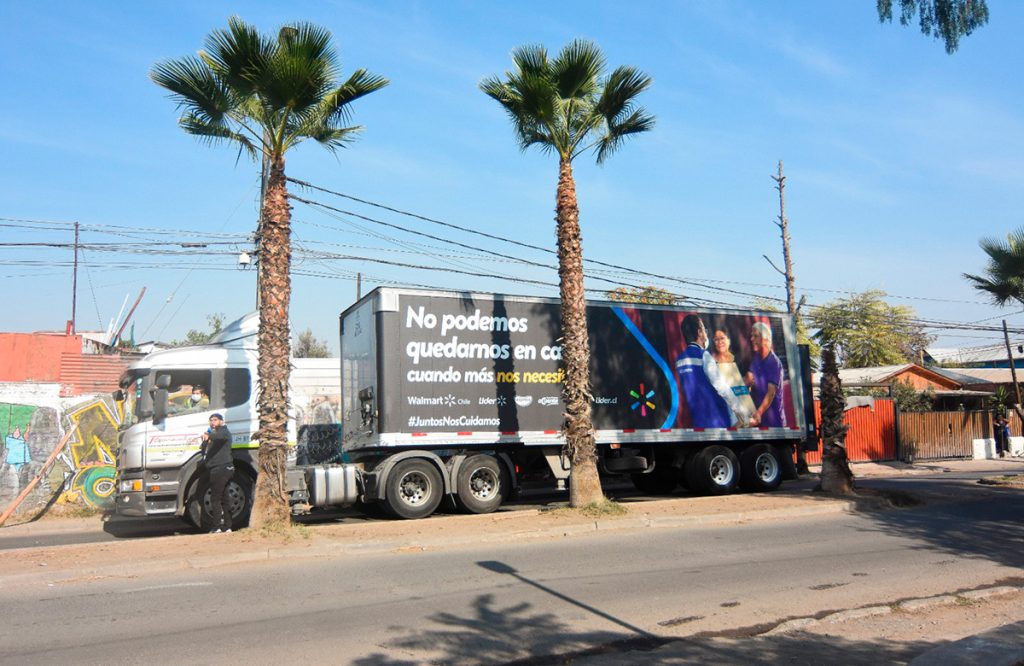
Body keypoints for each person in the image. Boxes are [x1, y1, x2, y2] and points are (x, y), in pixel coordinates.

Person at [676, 314, 751, 428]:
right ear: (699, 332)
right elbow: (721, 387)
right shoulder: (704, 355)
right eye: (704, 329)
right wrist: (741, 412)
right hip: (717, 419)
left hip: (698, 421)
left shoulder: (680, 360)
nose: (706, 334)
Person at [744, 321, 786, 428]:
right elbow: (748, 379)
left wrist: (759, 413)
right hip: (758, 421)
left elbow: (771, 393)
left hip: (773, 423)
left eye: (756, 336)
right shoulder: (757, 358)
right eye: (752, 336)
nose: (752, 339)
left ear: (766, 339)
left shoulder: (773, 363)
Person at [711, 328, 757, 418]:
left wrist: (750, 382)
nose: (719, 341)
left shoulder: (739, 360)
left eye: (722, 338)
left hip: (744, 409)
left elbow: (749, 386)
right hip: (726, 410)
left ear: (729, 340)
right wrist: (743, 381)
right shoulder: (711, 363)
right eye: (716, 339)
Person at [200, 413, 234, 533]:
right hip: (216, 468)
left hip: (222, 468)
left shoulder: (223, 432)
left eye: (215, 420)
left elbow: (219, 437)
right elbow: (204, 449)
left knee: (215, 498)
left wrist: (209, 435)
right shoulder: (213, 434)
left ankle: (217, 526)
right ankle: (227, 526)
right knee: (224, 497)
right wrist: (205, 441)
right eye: (211, 420)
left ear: (221, 421)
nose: (212, 422)